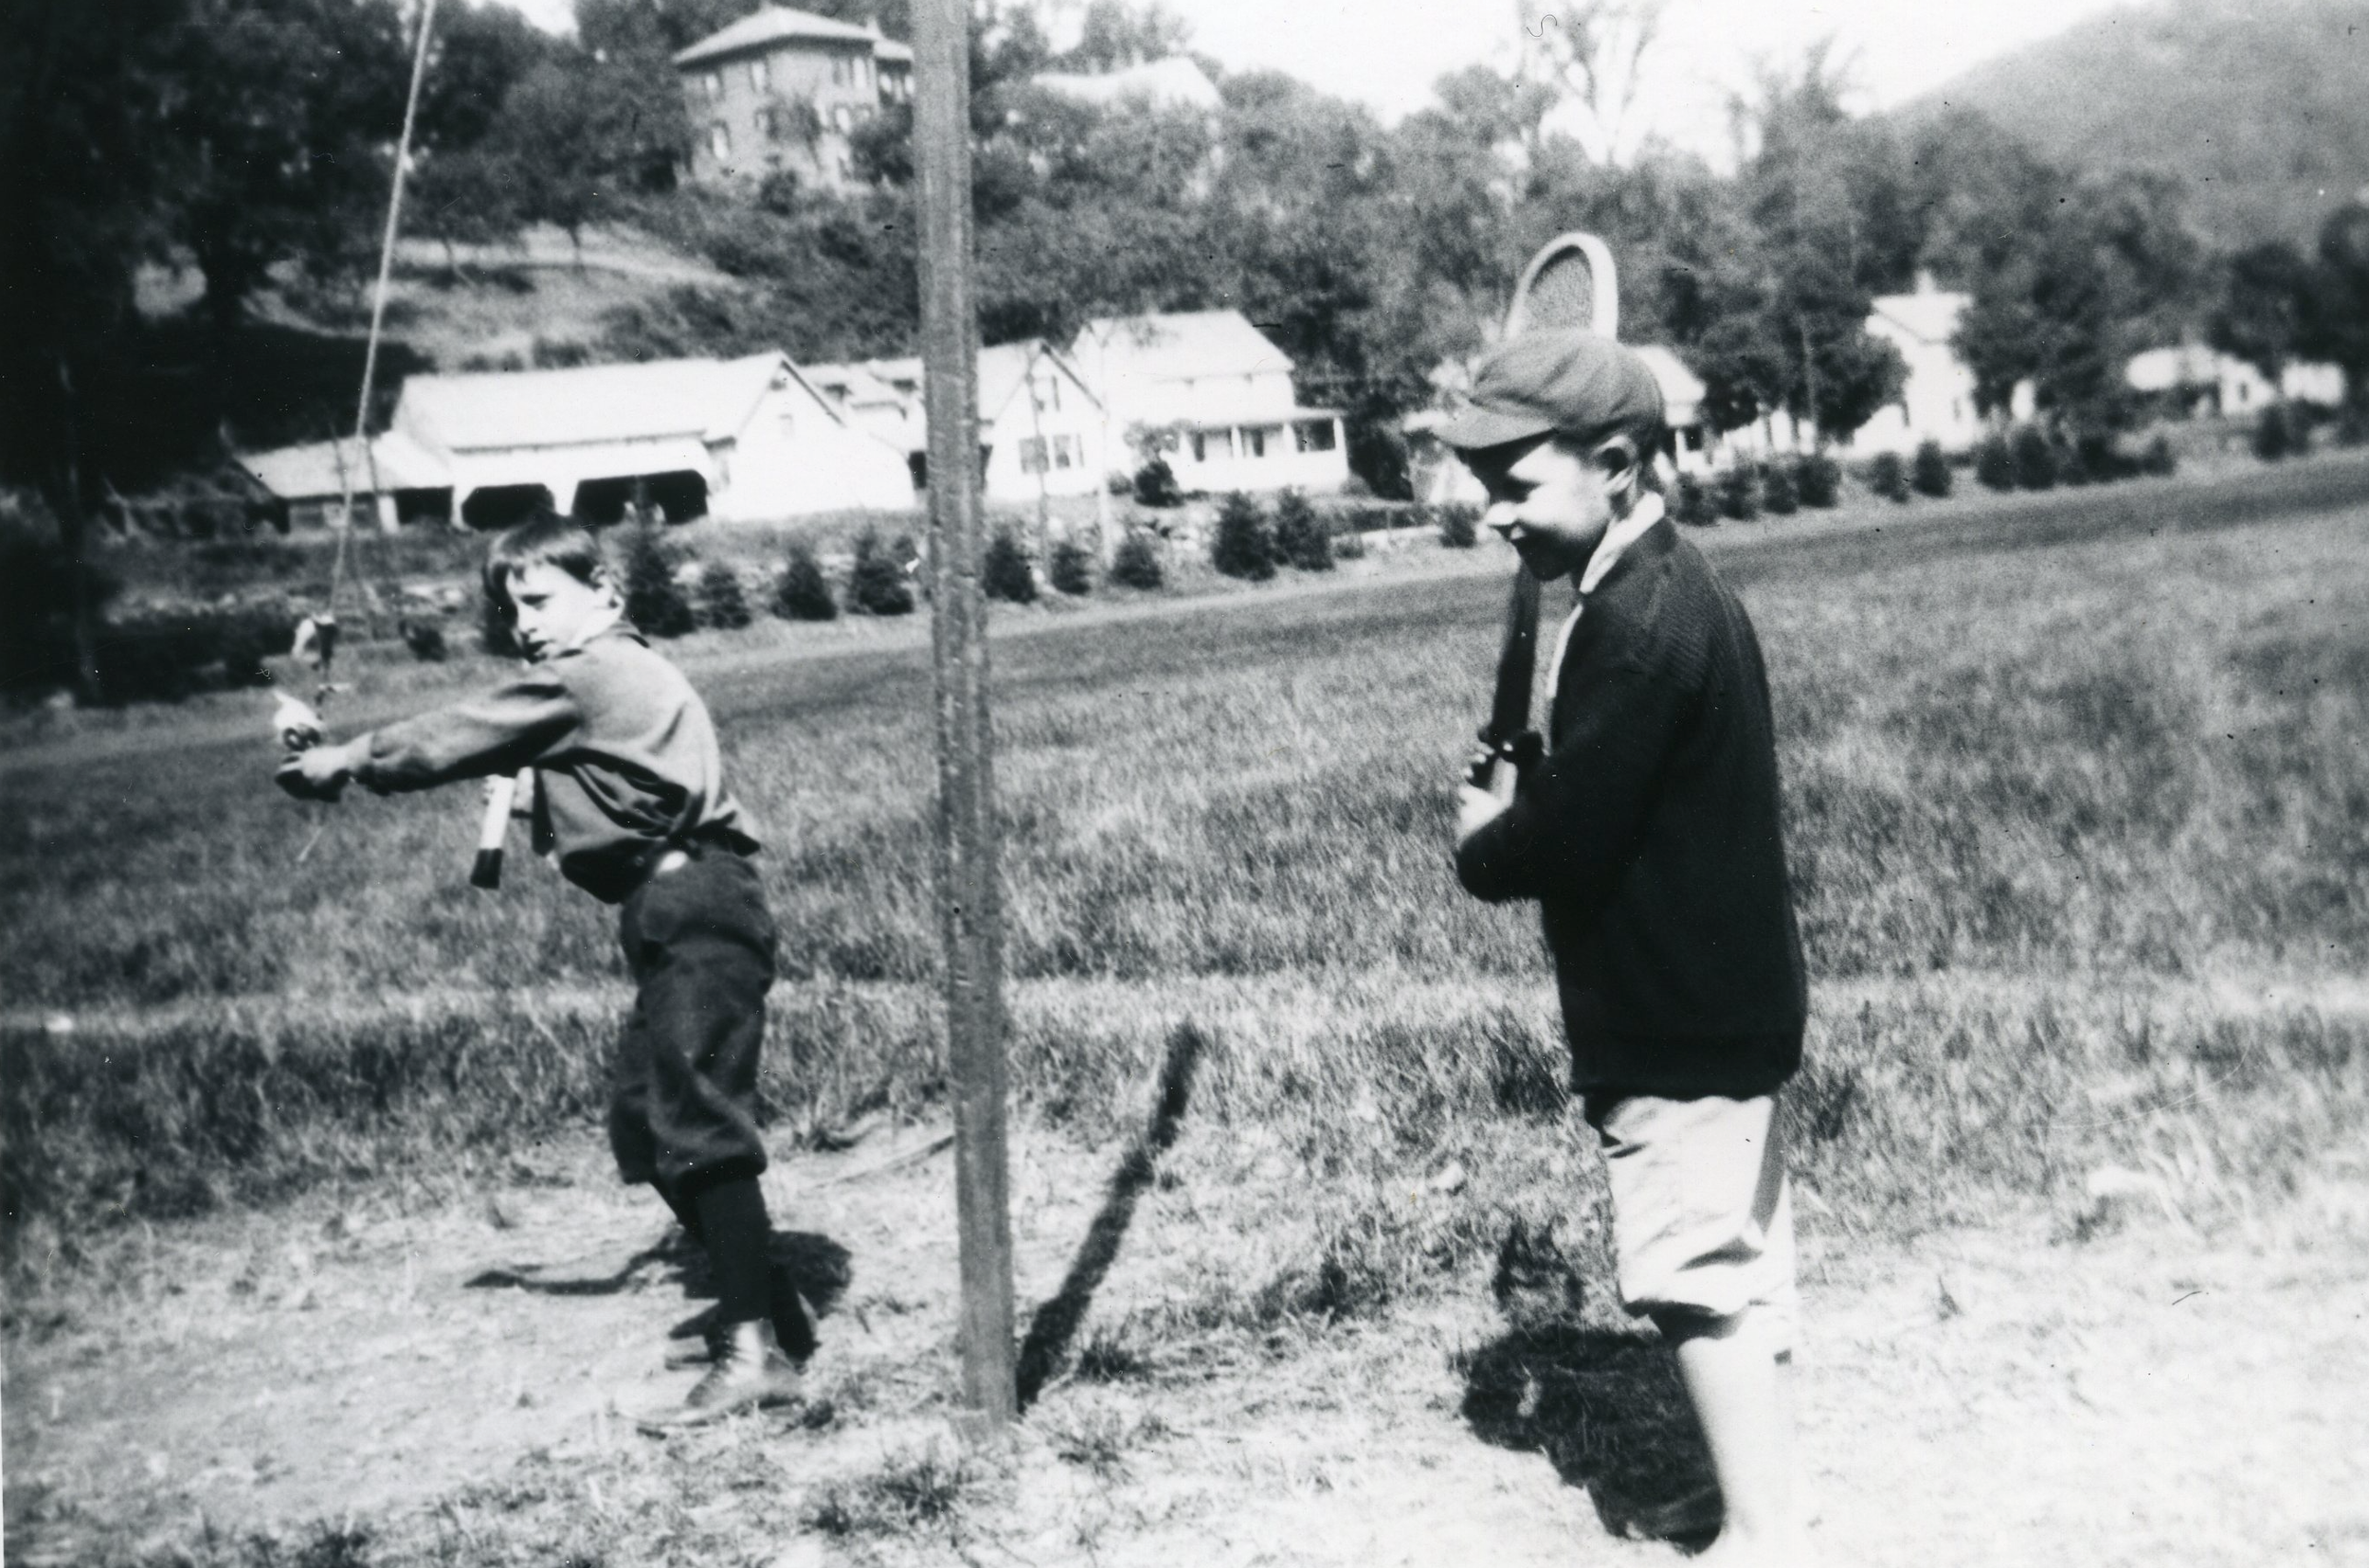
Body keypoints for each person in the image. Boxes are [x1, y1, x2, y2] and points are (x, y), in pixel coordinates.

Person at [277, 511, 805, 1426]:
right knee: (647, 1124)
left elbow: (456, 731)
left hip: (696, 908)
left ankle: (756, 1349)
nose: (521, 621)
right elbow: (610, 801)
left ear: (604, 594)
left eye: (537, 598)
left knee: (698, 1125)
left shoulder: (589, 670)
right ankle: (764, 1301)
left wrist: (347, 760)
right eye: (507, 606)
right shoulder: (607, 678)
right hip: (673, 909)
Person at [1443, 332, 1815, 1565]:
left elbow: (1576, 838)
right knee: (1739, 1277)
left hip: (1673, 1021)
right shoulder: (1662, 585)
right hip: (1724, 1001)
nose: (1490, 509)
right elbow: (1621, 788)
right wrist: (1544, 783)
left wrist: (1490, 837)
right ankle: (1747, 1504)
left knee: (1698, 1284)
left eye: (1513, 479)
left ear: (1614, 462)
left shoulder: (1633, 624)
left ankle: (1767, 1537)